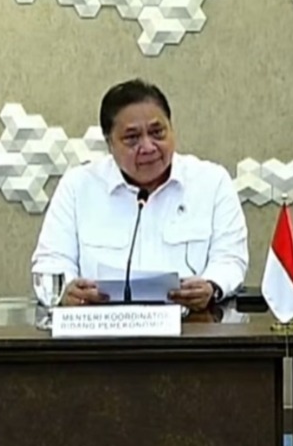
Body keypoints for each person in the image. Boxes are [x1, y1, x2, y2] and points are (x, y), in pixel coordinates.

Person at [32, 79, 248, 310]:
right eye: (132, 138)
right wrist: (66, 290)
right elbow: (50, 263)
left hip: (189, 325)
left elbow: (230, 259)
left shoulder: (211, 182)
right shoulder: (78, 186)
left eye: (157, 133)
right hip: (101, 326)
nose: (148, 147)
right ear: (109, 143)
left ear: (172, 129)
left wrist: (212, 285)